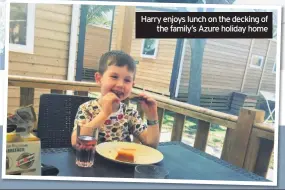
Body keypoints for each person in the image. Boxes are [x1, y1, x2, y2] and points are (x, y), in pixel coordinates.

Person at [71, 50, 160, 148]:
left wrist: (152, 117)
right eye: (114, 77)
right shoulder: (87, 109)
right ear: (98, 78)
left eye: (127, 80)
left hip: (123, 160)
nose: (120, 85)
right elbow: (76, 142)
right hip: (95, 161)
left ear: (132, 85)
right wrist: (104, 114)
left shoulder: (130, 113)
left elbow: (151, 144)